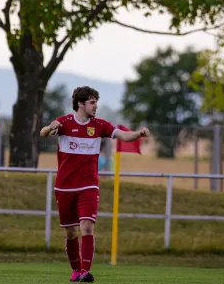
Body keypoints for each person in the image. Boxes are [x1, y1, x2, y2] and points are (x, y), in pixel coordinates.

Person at [39, 86, 149, 282]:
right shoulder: (64, 123)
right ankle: (75, 271)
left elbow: (123, 136)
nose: (96, 105)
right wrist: (50, 127)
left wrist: (139, 133)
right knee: (71, 232)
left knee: (87, 226)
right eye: (92, 102)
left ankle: (85, 271)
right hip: (64, 187)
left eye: (96, 102)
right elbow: (43, 133)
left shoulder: (99, 125)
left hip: (89, 185)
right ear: (80, 104)